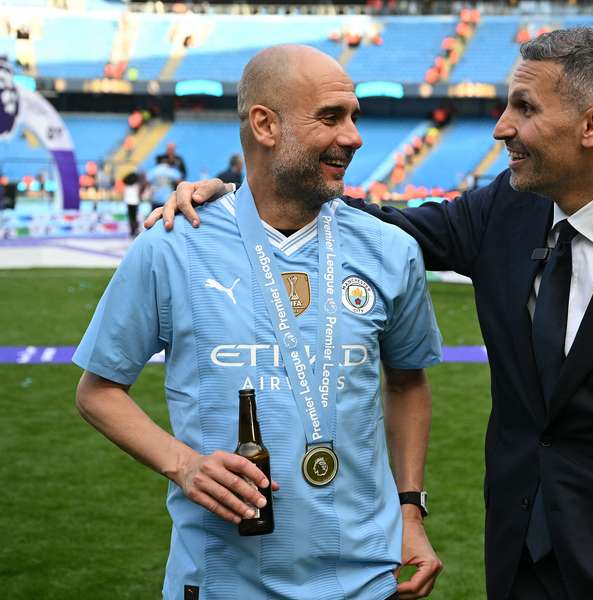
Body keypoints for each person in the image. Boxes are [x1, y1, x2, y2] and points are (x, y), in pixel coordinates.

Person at [153, 28, 593, 600]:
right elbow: (389, 226)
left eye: (524, 107)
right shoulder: (510, 208)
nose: (501, 126)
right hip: (522, 566)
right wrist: (249, 194)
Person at [76, 45, 443, 600]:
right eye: (330, 117)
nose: (354, 137)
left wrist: (410, 510)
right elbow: (98, 390)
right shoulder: (172, 245)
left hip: (370, 581)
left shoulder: (390, 250)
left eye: (354, 117)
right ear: (265, 125)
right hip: (223, 580)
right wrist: (184, 465)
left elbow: (408, 381)